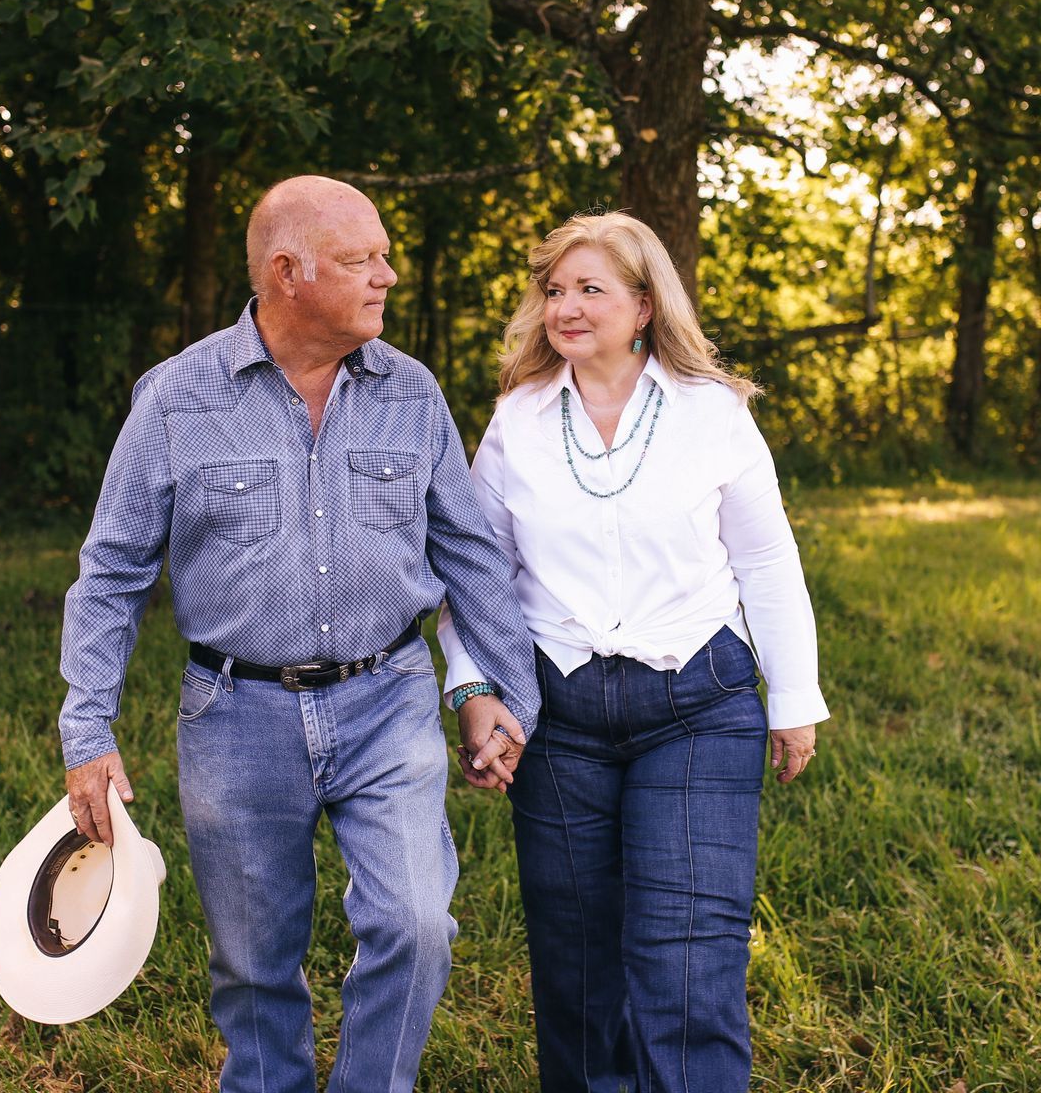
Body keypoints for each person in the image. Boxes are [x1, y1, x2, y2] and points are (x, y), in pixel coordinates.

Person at [57, 175, 536, 1093]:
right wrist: (88, 728)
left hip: (387, 697)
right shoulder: (178, 399)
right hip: (235, 714)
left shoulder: (410, 392)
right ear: (288, 273)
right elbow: (112, 571)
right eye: (362, 260)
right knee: (253, 965)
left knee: (416, 925)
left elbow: (472, 555)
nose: (388, 276)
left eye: (385, 256)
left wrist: (510, 696)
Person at [439, 211, 829, 1093]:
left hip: (697, 707)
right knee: (576, 967)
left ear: (646, 305)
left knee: (687, 959)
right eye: (554, 291)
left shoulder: (711, 413)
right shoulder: (518, 420)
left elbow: (767, 561)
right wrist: (475, 689)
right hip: (559, 719)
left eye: (591, 289)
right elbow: (476, 575)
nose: (566, 307)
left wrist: (793, 699)